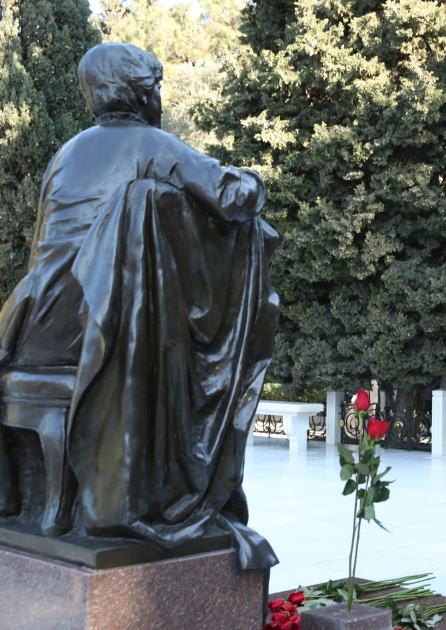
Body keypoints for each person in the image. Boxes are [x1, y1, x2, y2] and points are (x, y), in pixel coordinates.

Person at [0, 42, 279, 570]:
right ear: (141, 92)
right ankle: (156, 485)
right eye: (156, 87)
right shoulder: (152, 143)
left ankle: (41, 505)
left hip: (33, 327)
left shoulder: (67, 152)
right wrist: (252, 179)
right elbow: (231, 196)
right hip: (98, 329)